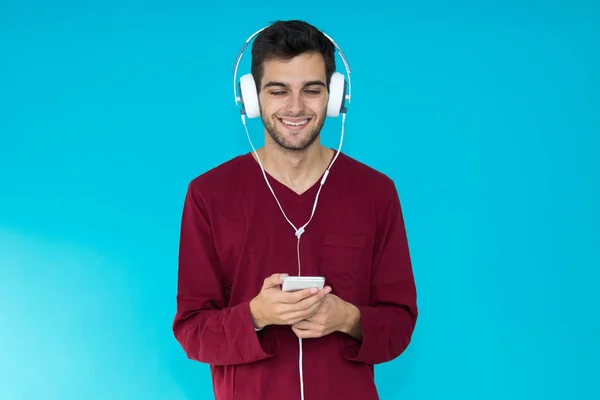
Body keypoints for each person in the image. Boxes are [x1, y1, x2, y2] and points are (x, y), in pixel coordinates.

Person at [172, 19, 418, 400]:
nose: (296, 107)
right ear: (252, 99)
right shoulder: (208, 194)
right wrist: (255, 315)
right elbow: (191, 332)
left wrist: (348, 319)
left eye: (312, 90)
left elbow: (400, 325)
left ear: (335, 98)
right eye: (278, 90)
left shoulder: (376, 192)